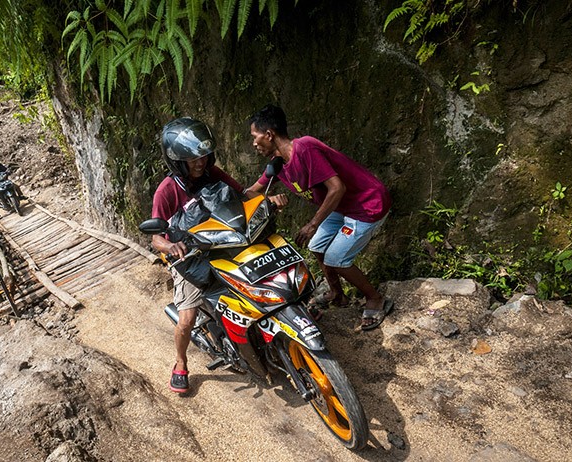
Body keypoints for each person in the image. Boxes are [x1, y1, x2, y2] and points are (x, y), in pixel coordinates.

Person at [244, 104, 393, 331]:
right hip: (341, 207)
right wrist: (270, 199)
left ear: (269, 134)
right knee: (316, 246)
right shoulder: (277, 164)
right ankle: (337, 294)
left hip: (367, 204)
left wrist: (313, 224)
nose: (254, 143)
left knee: (336, 258)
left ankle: (375, 299)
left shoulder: (304, 148)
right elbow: (250, 192)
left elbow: (337, 188)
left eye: (255, 137)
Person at [151, 117, 244, 394]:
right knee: (187, 319)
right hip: (189, 260)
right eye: (192, 159)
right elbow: (156, 238)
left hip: (223, 245)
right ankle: (180, 362)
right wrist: (171, 247)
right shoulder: (167, 191)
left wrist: (268, 198)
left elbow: (243, 196)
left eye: (203, 156)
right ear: (178, 161)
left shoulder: (214, 174)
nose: (200, 163)